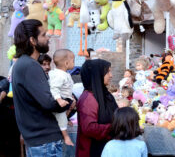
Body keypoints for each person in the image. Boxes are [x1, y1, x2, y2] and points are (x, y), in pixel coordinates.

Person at [12, 19, 72, 157]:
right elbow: (49, 102)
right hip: (45, 142)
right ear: (33, 40)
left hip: (40, 141)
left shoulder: (24, 64)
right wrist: (68, 101)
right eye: (44, 35)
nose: (48, 37)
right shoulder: (29, 66)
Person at [76, 59, 118, 157]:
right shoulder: (89, 99)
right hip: (93, 150)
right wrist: (116, 127)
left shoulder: (104, 95)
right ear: (97, 75)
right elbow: (89, 128)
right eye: (107, 72)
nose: (111, 75)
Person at [48, 49, 75, 146]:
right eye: (73, 61)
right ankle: (66, 137)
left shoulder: (60, 73)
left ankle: (65, 123)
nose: (74, 63)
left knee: (63, 116)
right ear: (67, 63)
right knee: (62, 117)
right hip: (60, 101)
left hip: (65, 99)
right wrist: (59, 100)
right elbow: (54, 88)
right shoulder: (60, 75)